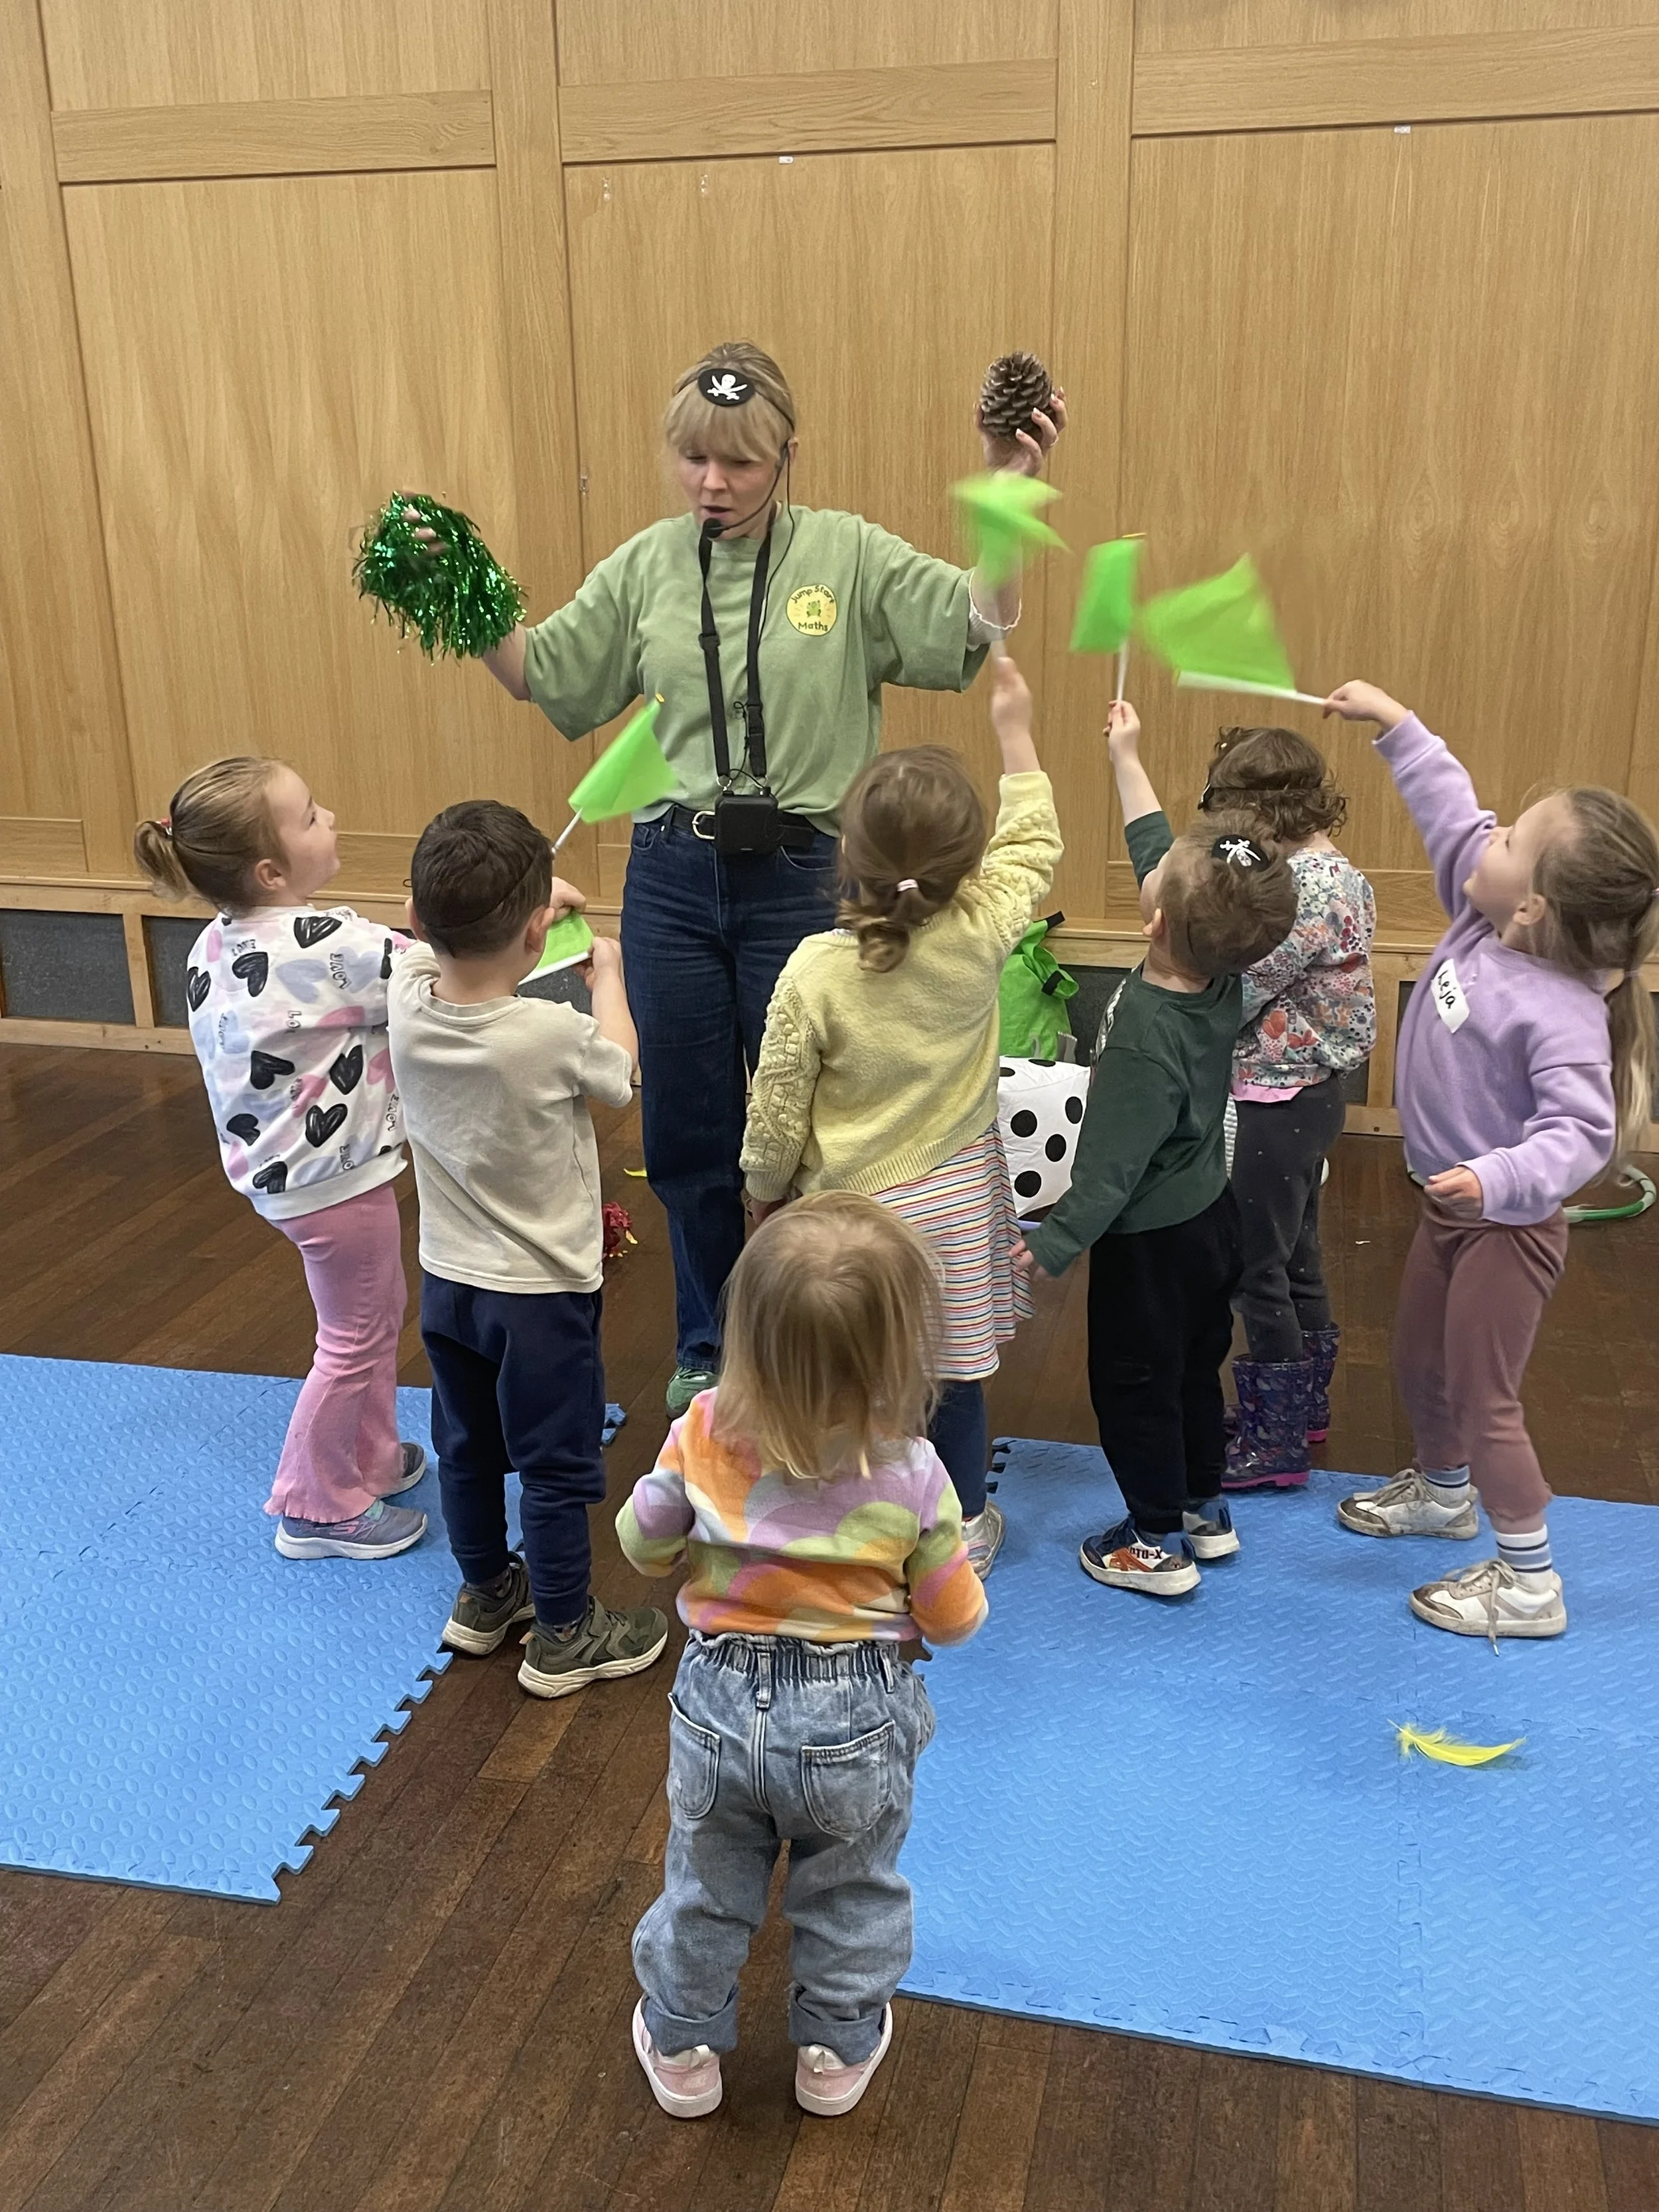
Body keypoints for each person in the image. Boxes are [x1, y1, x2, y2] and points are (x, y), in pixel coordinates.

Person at [407, 340, 1063, 1415]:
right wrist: (461, 588)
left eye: (741, 462)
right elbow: (541, 674)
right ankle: (713, 1341)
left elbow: (976, 623)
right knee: (688, 1131)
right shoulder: (646, 567)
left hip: (806, 871)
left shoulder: (846, 554)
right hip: (673, 872)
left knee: (809, 1120)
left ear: (787, 455)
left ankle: (813, 1336)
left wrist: (1004, 486)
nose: (713, 482)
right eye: (694, 458)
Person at [616, 1194, 985, 2121]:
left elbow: (641, 1544)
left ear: (745, 1336)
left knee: (706, 1883)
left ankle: (682, 2043)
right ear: (898, 1356)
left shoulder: (702, 1430)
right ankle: (833, 2050)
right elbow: (953, 1621)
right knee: (852, 1890)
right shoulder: (913, 1472)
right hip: (854, 1718)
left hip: (716, 1703)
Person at [1322, 682, 1659, 1640]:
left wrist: (1498, 1176)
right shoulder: (1484, 915)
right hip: (1451, 1206)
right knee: (1420, 1358)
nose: (1490, 835)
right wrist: (1398, 727)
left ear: (1535, 904)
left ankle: (1529, 1582)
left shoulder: (1562, 1010)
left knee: (1485, 1395)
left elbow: (1579, 1135)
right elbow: (1452, 812)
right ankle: (1443, 1493)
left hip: (1507, 1229)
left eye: (1511, 840)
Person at [735, 653, 1060, 1578]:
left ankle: (850, 1518)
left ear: (847, 857)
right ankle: (958, 1532)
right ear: (964, 866)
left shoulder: (813, 971)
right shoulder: (985, 930)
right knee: (951, 1383)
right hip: (955, 1212)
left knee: (848, 1376)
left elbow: (776, 1110)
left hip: (845, 1225)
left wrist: (763, 1195)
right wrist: (1014, 730)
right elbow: (1033, 845)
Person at [1014, 702, 1297, 1596]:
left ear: (1155, 924)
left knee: (1134, 1384)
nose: (1154, 865)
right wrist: (1124, 758)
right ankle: (1205, 1510)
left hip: (1151, 1245)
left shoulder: (1142, 1033)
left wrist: (1055, 1244)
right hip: (1213, 1219)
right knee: (1191, 1374)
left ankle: (1151, 1541)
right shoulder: (1222, 964)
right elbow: (1165, 861)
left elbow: (1109, 1167)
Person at [387, 800, 668, 1697]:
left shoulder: (404, 1000)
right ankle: (564, 1633)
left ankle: (485, 1594)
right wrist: (608, 976)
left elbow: (419, 941)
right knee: (554, 1465)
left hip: (448, 1282)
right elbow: (620, 1071)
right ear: (540, 931)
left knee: (466, 1446)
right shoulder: (547, 1035)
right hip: (541, 1295)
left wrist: (532, 903)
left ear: (420, 916)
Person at [135, 762, 428, 1560]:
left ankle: (369, 1456)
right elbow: (440, 972)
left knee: (374, 1314)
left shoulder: (217, 938)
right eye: (309, 816)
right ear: (270, 871)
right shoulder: (326, 944)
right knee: (355, 1334)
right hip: (332, 1181)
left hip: (287, 1178)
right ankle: (315, 1505)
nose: (330, 818)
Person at [1197, 727, 1376, 1489]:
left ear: (1263, 809)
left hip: (1277, 1096)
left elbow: (1243, 985)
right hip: (1311, 1096)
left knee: (1255, 1268)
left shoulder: (1304, 891)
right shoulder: (1344, 875)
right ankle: (1300, 1410)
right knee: (1296, 1255)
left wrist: (1178, 998)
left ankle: (1273, 1442)